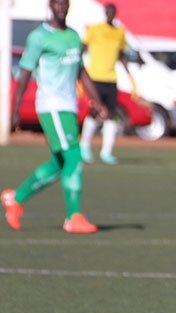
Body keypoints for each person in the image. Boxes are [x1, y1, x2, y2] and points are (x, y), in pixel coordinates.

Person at [3, 0, 107, 234]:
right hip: (51, 106)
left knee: (59, 162)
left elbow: (81, 71)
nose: (61, 7)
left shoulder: (73, 36)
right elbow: (25, 73)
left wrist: (98, 102)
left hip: (68, 106)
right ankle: (74, 217)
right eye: (57, 3)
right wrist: (16, 109)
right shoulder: (39, 37)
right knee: (74, 157)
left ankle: (16, 198)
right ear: (51, 5)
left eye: (65, 3)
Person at [79, 2, 134, 165]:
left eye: (112, 13)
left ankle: (106, 152)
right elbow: (82, 47)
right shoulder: (94, 29)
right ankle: (85, 146)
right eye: (108, 12)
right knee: (95, 112)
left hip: (111, 79)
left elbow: (121, 55)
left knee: (111, 114)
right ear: (105, 13)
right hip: (95, 78)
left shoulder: (120, 33)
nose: (110, 15)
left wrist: (129, 74)